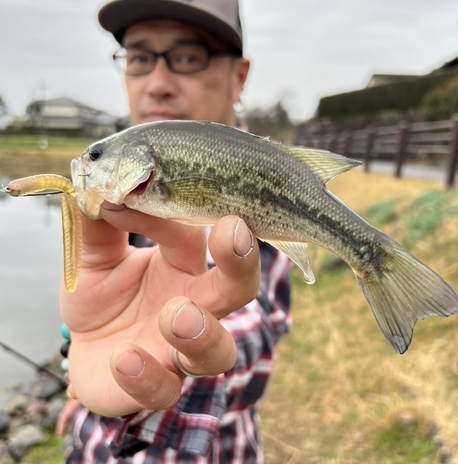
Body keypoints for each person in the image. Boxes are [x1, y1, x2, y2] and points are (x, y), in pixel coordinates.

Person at [59, 0, 292, 462]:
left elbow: (249, 333)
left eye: (188, 57)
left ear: (239, 77)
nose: (158, 85)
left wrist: (162, 362)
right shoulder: (125, 193)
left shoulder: (266, 179)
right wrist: (79, 378)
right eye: (140, 58)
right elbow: (95, 324)